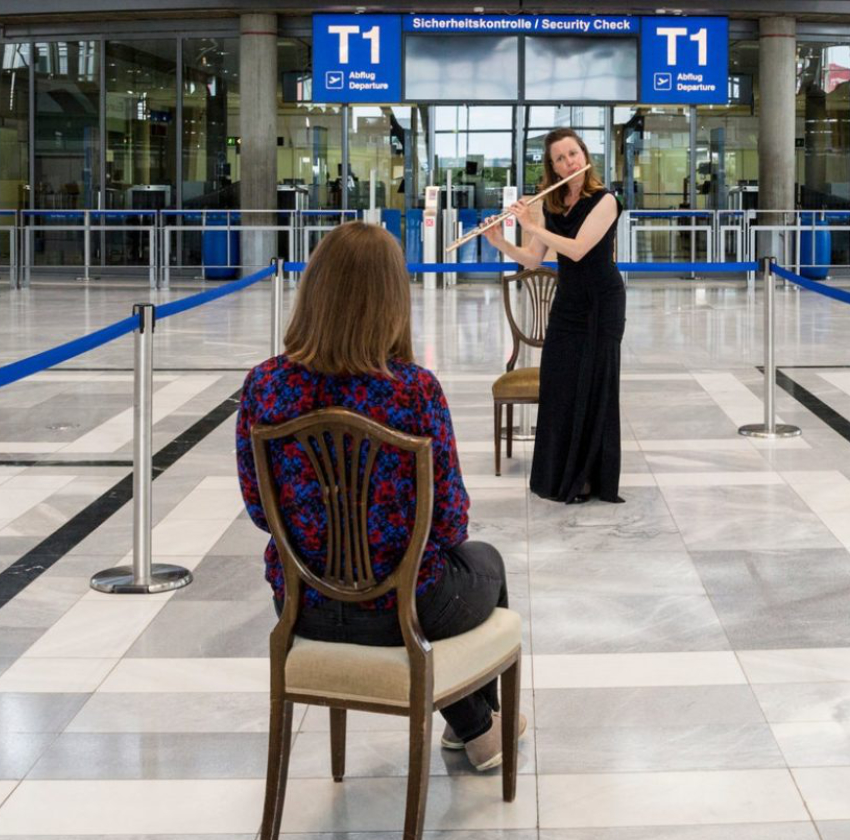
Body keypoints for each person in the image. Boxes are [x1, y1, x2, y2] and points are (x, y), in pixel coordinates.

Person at [235, 221, 524, 769]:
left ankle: (478, 728)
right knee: (485, 563)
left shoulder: (264, 385)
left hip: (302, 604)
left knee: (447, 571)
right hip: (402, 607)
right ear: (392, 299)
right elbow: (450, 524)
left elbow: (258, 508)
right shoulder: (413, 390)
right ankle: (480, 729)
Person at [482, 128, 625, 504]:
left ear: (584, 154)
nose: (568, 162)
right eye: (559, 159)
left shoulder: (605, 200)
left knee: (593, 385)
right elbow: (534, 258)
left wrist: (530, 222)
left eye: (573, 154)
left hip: (601, 303)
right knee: (559, 385)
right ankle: (558, 476)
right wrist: (500, 241)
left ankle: (589, 479)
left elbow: (577, 251)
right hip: (569, 303)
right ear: (553, 167)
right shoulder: (552, 204)